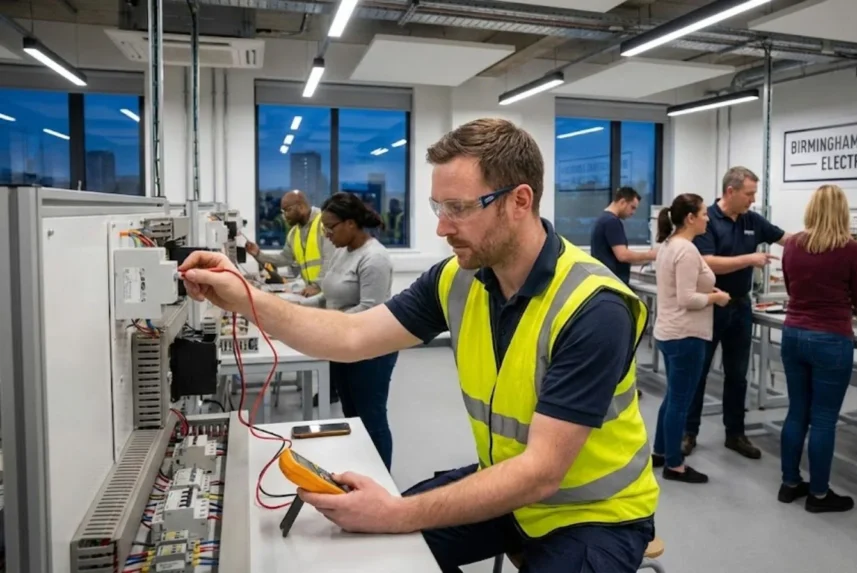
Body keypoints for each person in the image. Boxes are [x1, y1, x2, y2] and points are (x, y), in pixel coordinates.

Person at [179, 118, 658, 572]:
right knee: (383, 554)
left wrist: (396, 513)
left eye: (459, 208)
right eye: (438, 208)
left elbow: (541, 472)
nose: (442, 228)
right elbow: (352, 336)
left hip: (592, 514)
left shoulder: (593, 308)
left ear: (519, 200)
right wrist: (246, 299)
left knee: (394, 524)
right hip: (508, 489)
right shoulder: (458, 278)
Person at [777, 184, 857, 513]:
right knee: (824, 419)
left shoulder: (792, 244)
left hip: (793, 334)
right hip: (831, 338)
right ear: (843, 212)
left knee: (796, 412)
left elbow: (791, 288)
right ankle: (818, 495)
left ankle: (790, 483)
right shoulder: (852, 249)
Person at [688, 166, 791, 460]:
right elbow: (707, 262)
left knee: (738, 374)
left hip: (740, 306)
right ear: (730, 191)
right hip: (711, 305)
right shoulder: (707, 220)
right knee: (699, 372)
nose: (753, 200)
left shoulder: (752, 220)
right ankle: (688, 432)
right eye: (749, 194)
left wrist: (824, 237)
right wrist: (749, 259)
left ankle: (735, 433)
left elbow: (787, 239)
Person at [302, 192, 398, 470]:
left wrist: (324, 324)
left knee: (371, 417)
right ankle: (360, 470)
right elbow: (327, 295)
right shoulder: (342, 252)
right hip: (344, 344)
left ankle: (381, 477)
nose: (327, 234)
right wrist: (293, 307)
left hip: (373, 349)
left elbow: (369, 309)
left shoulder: (374, 258)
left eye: (330, 227)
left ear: (351, 224)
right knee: (351, 414)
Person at [650, 194, 730, 484]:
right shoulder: (686, 250)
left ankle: (660, 451)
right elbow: (687, 299)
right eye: (704, 214)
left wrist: (707, 291)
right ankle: (675, 465)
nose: (708, 219)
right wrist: (716, 298)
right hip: (685, 335)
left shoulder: (670, 245)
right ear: (690, 218)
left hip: (670, 332)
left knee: (673, 396)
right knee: (680, 402)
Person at [246, 189, 335, 297]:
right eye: (283, 212)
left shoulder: (323, 223)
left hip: (329, 291)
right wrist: (258, 254)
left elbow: (330, 260)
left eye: (288, 210)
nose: (284, 216)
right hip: (312, 292)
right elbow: (284, 258)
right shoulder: (293, 233)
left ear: (301, 207)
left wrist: (317, 286)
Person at [590, 186, 658, 287]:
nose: (633, 213)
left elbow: (617, 258)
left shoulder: (603, 219)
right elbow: (623, 255)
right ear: (622, 202)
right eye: (632, 207)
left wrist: (646, 259)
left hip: (604, 281)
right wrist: (651, 255)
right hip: (612, 283)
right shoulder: (612, 222)